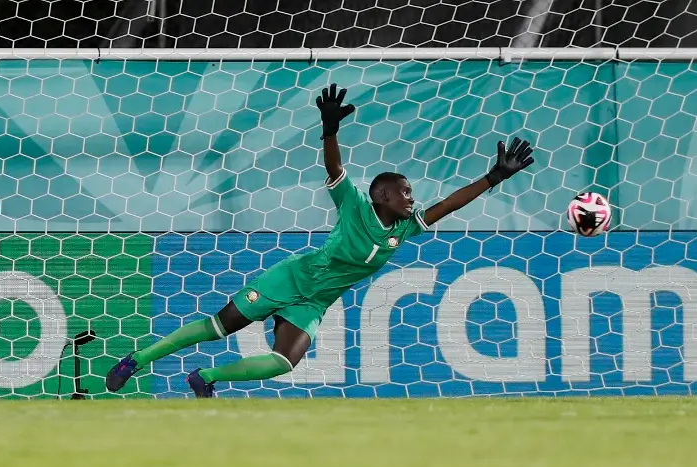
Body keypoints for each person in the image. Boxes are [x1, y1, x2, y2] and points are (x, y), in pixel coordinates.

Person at [106, 83, 535, 397]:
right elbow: (335, 169)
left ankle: (207, 379)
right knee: (220, 327)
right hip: (291, 279)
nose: (412, 197)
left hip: (313, 302)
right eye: (404, 191)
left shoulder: (405, 227)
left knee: (283, 362)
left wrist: (494, 177)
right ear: (381, 195)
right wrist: (329, 130)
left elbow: (450, 204)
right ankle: (135, 361)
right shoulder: (354, 205)